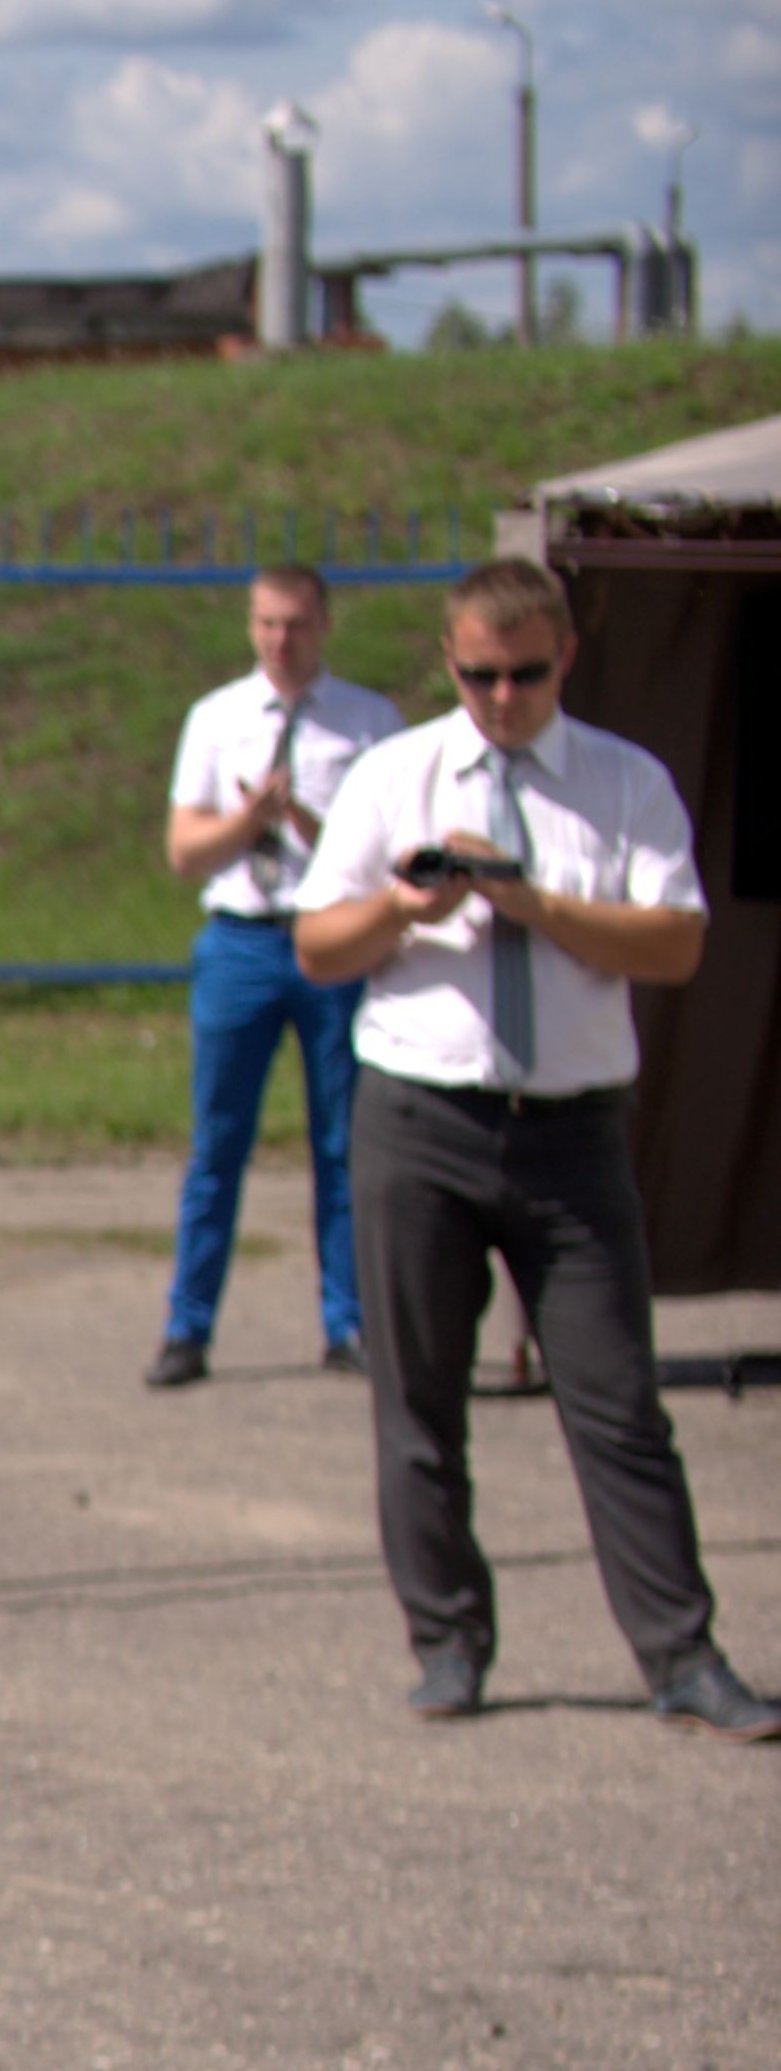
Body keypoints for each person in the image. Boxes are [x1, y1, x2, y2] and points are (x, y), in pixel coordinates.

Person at [285, 557, 759, 1738]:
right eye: (481, 674)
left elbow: (677, 947)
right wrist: (407, 906)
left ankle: (683, 1657)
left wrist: (535, 901)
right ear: (449, 661)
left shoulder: (621, 781)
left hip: (571, 1130)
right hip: (422, 1118)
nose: (503, 698)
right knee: (419, 1403)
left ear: (567, 660)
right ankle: (447, 1641)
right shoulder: (397, 775)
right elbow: (318, 946)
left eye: (527, 674)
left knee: (617, 1403)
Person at [152, 564, 398, 1387]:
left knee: (343, 1141)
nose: (280, 641)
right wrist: (247, 821)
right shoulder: (217, 719)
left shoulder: (367, 725)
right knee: (219, 1141)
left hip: (327, 940)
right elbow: (185, 852)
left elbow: (384, 860)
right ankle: (188, 1328)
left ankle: (349, 1322)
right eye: (265, 624)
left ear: (324, 625)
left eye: (294, 624)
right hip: (241, 942)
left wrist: (300, 820)